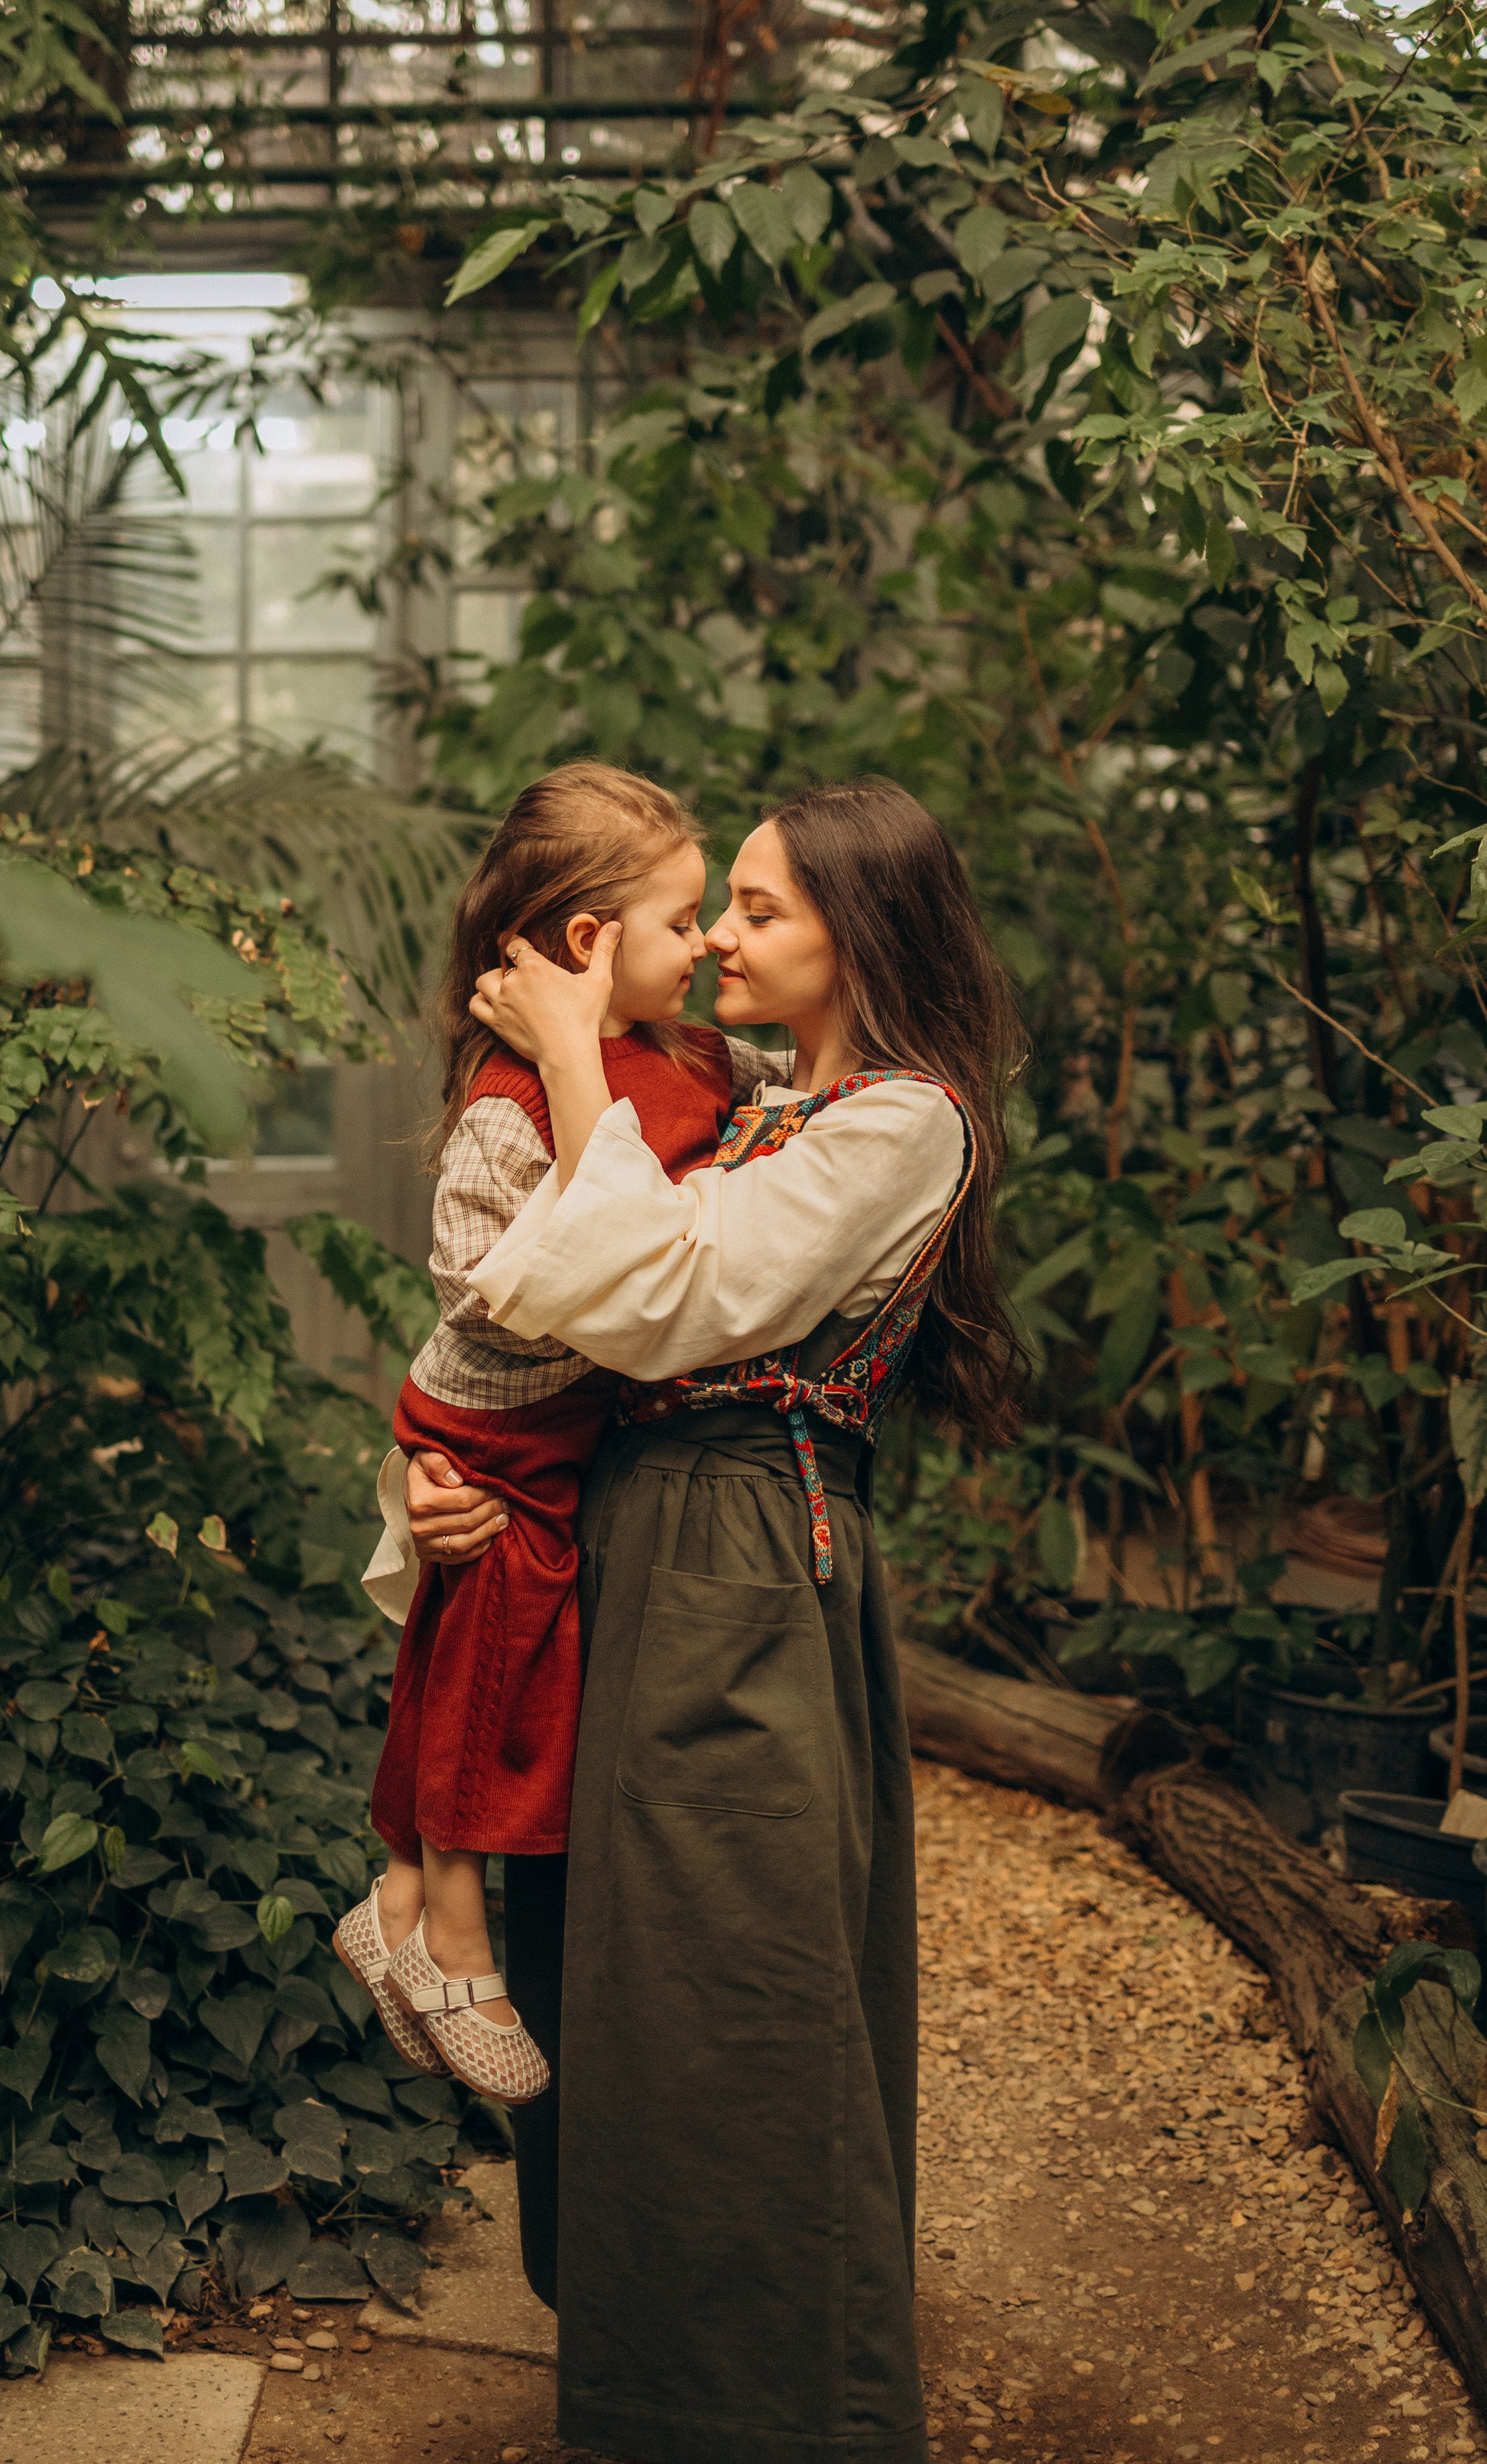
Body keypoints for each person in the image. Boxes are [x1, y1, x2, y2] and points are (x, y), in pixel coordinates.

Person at [395, 775, 1028, 2464]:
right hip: (633, 1533)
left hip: (747, 1550)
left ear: (859, 932)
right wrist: (445, 1488)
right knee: (620, 1980)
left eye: (756, 910)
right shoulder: (747, 1090)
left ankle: (768, 2411)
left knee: (735, 1980)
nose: (725, 938)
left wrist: (579, 1040)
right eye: (718, 907)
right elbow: (534, 1310)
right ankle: (645, 2385)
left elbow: (668, 1296)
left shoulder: (907, 1121)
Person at [331, 763, 786, 2102]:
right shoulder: (506, 1105)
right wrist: (611, 1288)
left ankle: (402, 1894)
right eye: (685, 917)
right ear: (591, 945)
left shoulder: (693, 1052)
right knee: (494, 1632)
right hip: (493, 1414)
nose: (705, 943)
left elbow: (767, 1104)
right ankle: (452, 1925)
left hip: (563, 1425)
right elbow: (495, 1296)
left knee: (489, 1631)